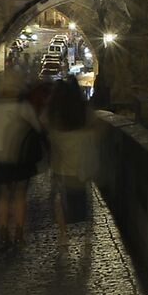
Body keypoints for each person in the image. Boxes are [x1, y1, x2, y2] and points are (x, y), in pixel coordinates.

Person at [0, 82, 43, 248]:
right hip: (20, 157)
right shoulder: (23, 107)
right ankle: (19, 233)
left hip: (1, 157)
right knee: (20, 195)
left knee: (3, 195)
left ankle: (3, 233)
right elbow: (38, 128)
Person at [44, 74, 97, 226]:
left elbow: (43, 122)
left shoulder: (54, 110)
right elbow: (94, 126)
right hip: (79, 163)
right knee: (79, 197)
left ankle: (64, 228)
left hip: (60, 163)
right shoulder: (82, 108)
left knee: (61, 196)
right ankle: (79, 222)